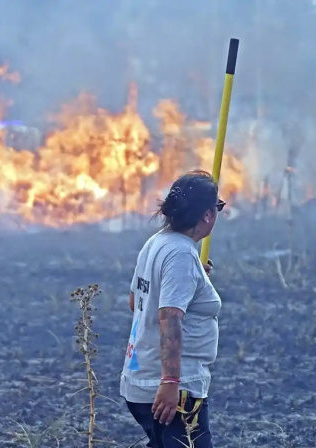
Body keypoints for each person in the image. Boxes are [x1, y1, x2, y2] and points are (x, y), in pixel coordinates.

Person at [121, 169, 225, 448]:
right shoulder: (181, 253)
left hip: (141, 380)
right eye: (217, 208)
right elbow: (168, 317)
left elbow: (136, 301)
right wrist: (170, 382)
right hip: (174, 390)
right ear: (207, 215)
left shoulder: (157, 242)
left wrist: (190, 282)